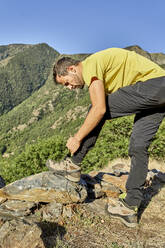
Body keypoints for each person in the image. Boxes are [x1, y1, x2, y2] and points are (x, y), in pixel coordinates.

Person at [48, 47, 165, 227]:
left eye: (67, 83)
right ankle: (130, 206)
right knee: (138, 146)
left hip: (153, 86)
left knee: (96, 110)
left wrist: (77, 138)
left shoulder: (91, 65)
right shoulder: (96, 68)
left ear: (72, 69)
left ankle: (73, 164)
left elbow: (100, 109)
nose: (70, 87)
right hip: (159, 93)